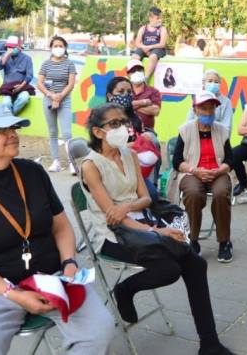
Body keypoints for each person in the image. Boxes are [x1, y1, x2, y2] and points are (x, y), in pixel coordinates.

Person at [0, 101, 114, 355]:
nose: (12, 134)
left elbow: (61, 227)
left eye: (13, 127)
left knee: (99, 331)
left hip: (53, 276)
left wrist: (69, 261)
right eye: (1, 130)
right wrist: (13, 294)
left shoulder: (33, 172)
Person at [81, 104, 234, 355]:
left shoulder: (129, 154)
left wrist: (132, 209)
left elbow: (146, 199)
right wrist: (156, 231)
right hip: (114, 236)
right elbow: (113, 218)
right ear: (98, 132)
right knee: (169, 269)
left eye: (124, 122)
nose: (123, 128)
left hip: (144, 224)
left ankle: (210, 344)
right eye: (114, 124)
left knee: (196, 264)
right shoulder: (91, 165)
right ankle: (125, 289)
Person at [167, 91, 233, 262]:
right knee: (194, 194)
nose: (208, 112)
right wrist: (195, 170)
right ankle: (193, 240)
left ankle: (224, 241)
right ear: (195, 110)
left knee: (221, 193)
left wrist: (219, 171)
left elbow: (231, 159)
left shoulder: (222, 131)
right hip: (192, 172)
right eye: (203, 108)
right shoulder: (185, 130)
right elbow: (177, 161)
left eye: (211, 108)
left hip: (217, 172)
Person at [106, 76, 161, 190]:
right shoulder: (103, 119)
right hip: (112, 170)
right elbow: (102, 150)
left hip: (136, 168)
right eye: (121, 92)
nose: (126, 95)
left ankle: (151, 184)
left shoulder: (135, 118)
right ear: (110, 96)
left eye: (129, 92)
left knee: (152, 195)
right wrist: (128, 147)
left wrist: (143, 140)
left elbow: (141, 143)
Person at [38, 35, 77, 173]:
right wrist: (51, 95)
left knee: (67, 133)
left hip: (64, 99)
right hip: (48, 99)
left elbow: (71, 84)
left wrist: (60, 97)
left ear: (65, 48)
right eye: (56, 46)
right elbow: (40, 83)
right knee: (53, 132)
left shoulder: (70, 64)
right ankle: (56, 161)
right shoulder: (46, 64)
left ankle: (73, 163)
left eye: (61, 46)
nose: (58, 48)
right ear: (51, 48)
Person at [0, 35, 34, 115]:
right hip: (7, 86)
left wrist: (21, 86)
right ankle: (12, 118)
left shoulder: (27, 58)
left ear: (19, 47)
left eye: (13, 47)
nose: (11, 49)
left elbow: (29, 76)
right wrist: (7, 55)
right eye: (9, 47)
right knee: (6, 103)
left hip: (22, 86)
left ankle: (11, 116)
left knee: (24, 98)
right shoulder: (4, 56)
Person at [131, 6, 169, 79]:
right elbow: (137, 43)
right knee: (134, 57)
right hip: (144, 47)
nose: (160, 20)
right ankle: (134, 77)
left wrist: (149, 47)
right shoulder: (143, 28)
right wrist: (144, 47)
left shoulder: (162, 29)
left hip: (157, 49)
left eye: (161, 18)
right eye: (158, 18)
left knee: (153, 56)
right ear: (151, 18)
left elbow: (162, 44)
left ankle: (146, 78)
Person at [127, 60, 161, 134]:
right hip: (126, 130)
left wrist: (130, 105)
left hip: (147, 130)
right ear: (128, 75)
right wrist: (144, 103)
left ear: (143, 72)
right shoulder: (125, 90)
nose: (137, 73)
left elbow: (155, 111)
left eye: (139, 70)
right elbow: (119, 107)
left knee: (153, 142)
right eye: (133, 71)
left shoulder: (153, 91)